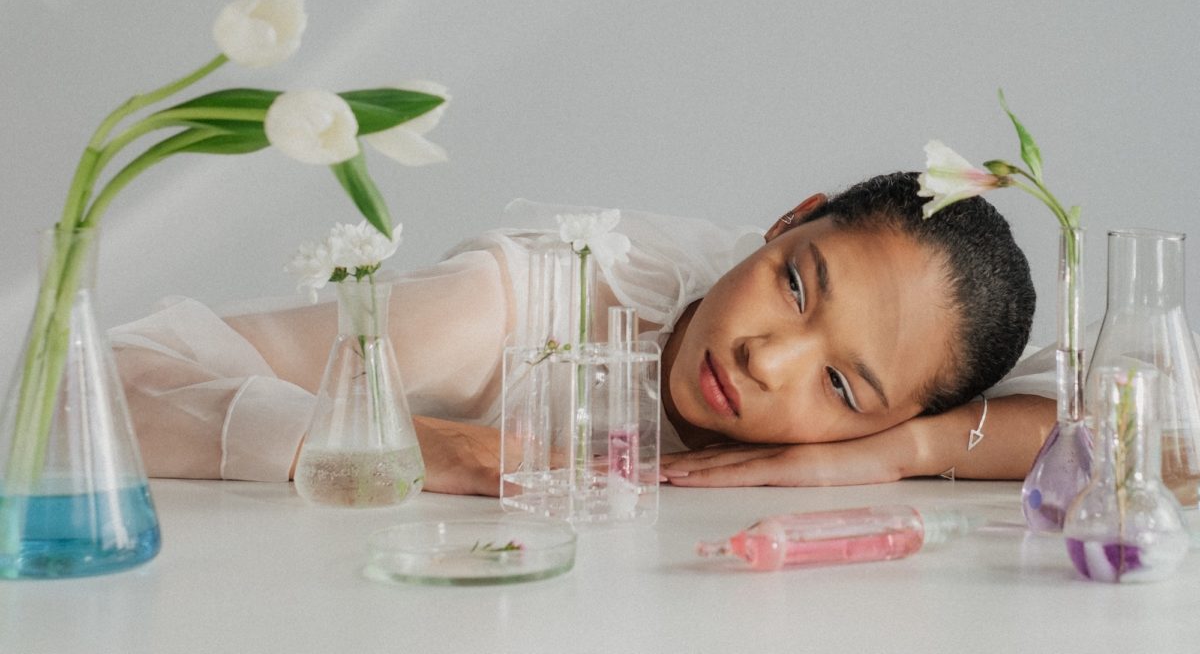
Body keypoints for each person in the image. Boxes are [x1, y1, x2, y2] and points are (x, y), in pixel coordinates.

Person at [111, 171, 1056, 496]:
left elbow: (1164, 431)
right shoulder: (521, 302)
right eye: (796, 283)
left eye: (843, 388)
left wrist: (901, 454)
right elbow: (108, 379)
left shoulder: (898, 421)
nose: (767, 357)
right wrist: (417, 448)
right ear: (788, 220)